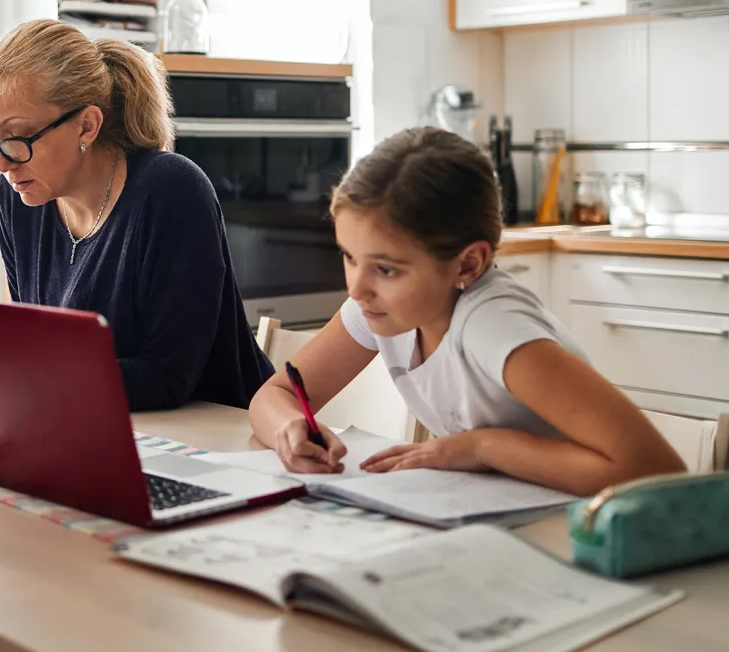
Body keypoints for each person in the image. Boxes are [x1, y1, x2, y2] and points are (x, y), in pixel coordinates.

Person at [248, 126, 685, 496]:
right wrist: (290, 429)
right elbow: (274, 396)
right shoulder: (382, 306)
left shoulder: (493, 327)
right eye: (349, 256)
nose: (357, 288)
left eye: (385, 268)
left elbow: (655, 471)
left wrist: (481, 448)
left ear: (468, 264)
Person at [0, 19, 272, 412]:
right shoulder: (18, 196)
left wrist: (11, 381)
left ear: (87, 125)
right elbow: (37, 347)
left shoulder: (172, 190)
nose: (2, 163)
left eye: (17, 139)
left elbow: (168, 377)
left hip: (222, 437)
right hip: (96, 425)